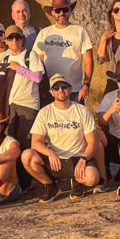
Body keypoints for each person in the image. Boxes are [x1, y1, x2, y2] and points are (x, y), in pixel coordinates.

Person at [22, 74, 100, 202]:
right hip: (56, 160)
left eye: (64, 86)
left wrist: (83, 159)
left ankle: (77, 182)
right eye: (56, 88)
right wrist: (50, 153)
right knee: (27, 156)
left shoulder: (81, 110)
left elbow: (92, 141)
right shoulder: (45, 112)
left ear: (70, 89)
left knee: (92, 177)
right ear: (51, 92)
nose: (60, 90)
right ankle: (50, 185)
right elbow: (35, 143)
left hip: (77, 158)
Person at [2, 24, 45, 191]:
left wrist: (18, 69)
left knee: (25, 143)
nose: (14, 41)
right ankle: (13, 181)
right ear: (6, 41)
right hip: (10, 105)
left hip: (28, 105)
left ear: (23, 40)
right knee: (10, 144)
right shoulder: (5, 59)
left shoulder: (30, 55)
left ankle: (26, 182)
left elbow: (38, 77)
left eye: (17, 37)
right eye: (11, 38)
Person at [33, 0, 94, 105]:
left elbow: (88, 60)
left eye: (65, 9)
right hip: (51, 91)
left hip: (74, 90)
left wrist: (86, 85)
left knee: (76, 121)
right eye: (58, 10)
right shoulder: (44, 33)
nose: (61, 13)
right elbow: (38, 61)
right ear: (52, 12)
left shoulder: (80, 31)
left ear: (70, 11)